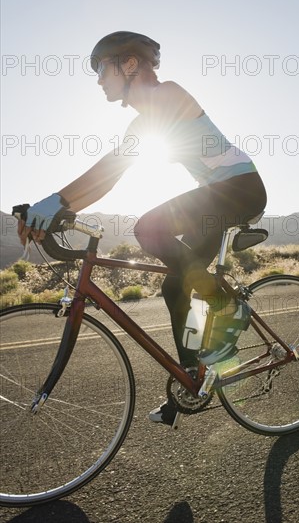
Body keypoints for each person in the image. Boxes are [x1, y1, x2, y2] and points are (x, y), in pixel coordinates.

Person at [18, 32, 267, 425]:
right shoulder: (141, 122)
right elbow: (107, 181)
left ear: (130, 64)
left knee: (149, 227)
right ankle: (193, 381)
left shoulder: (166, 94)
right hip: (217, 198)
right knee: (175, 283)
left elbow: (113, 165)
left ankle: (226, 304)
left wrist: (55, 202)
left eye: (101, 68)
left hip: (239, 189)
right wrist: (54, 211)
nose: (99, 79)